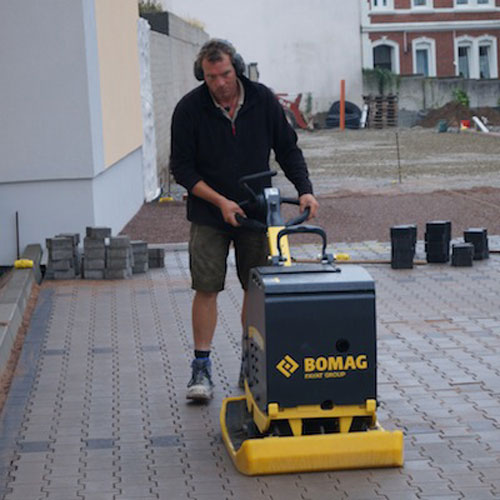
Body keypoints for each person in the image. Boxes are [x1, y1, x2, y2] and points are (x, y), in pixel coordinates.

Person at [170, 39, 319, 402]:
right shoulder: (189, 109)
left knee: (256, 288)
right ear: (202, 76)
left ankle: (250, 363)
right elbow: (182, 169)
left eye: (224, 74)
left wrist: (305, 190)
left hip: (257, 212)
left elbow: (287, 149)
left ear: (235, 68)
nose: (219, 83)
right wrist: (220, 201)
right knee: (207, 287)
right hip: (209, 213)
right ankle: (201, 367)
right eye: (211, 77)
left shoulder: (262, 100)